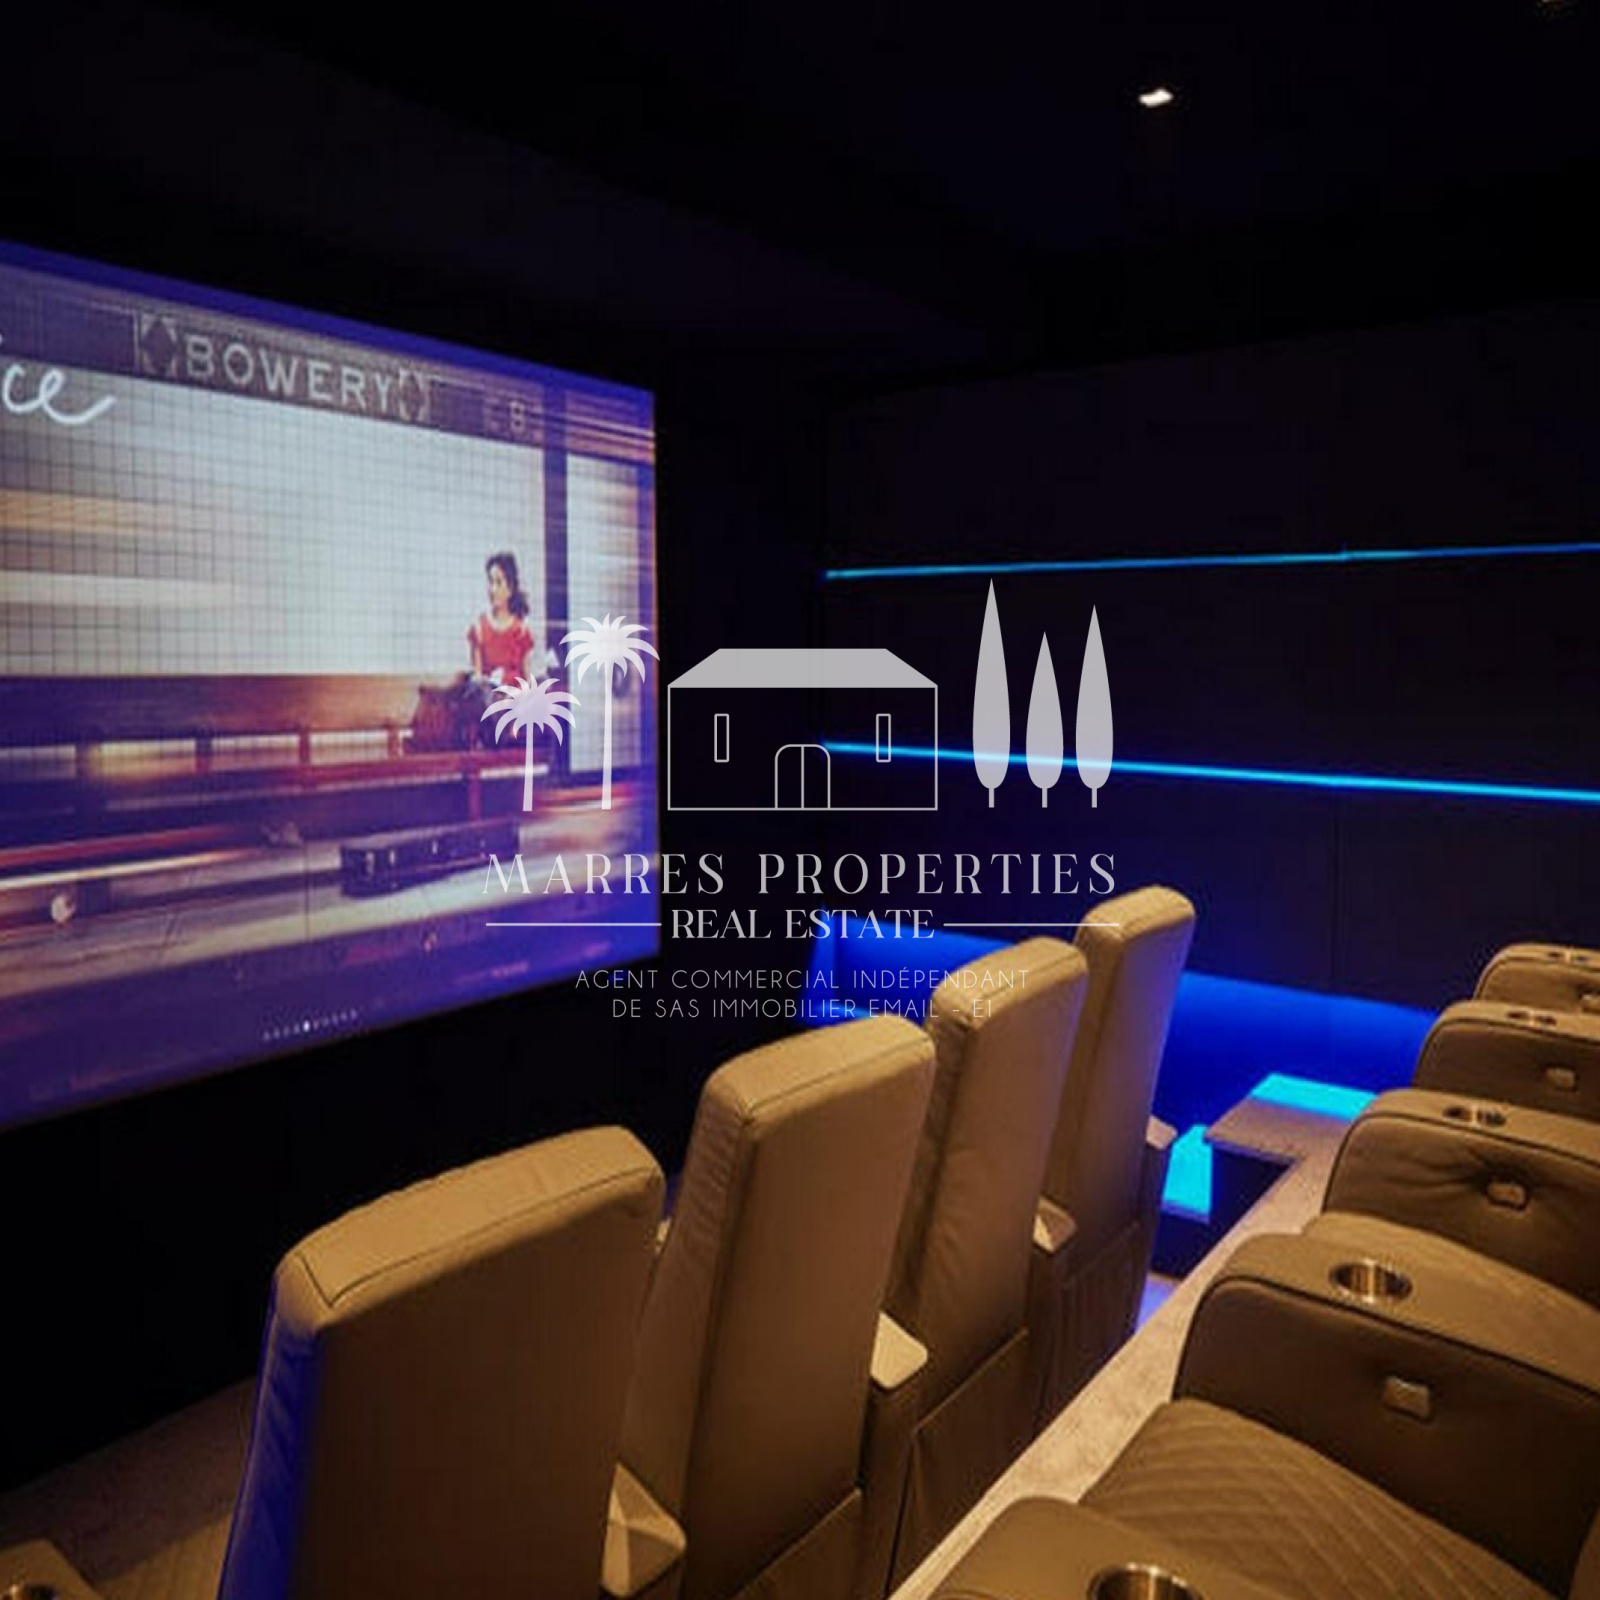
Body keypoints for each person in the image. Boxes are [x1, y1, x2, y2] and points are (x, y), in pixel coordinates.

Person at [468, 552, 535, 686]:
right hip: (489, 697)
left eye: (499, 583)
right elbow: (477, 678)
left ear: (510, 588)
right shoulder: (479, 629)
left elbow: (528, 680)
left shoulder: (521, 631)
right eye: (490, 582)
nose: (493, 590)